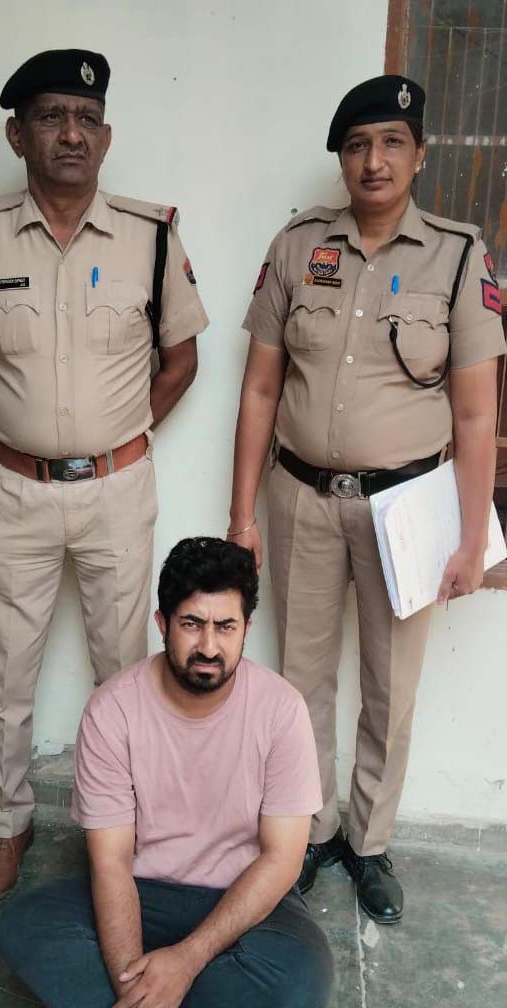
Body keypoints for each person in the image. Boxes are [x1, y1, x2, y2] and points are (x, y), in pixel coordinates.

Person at [0, 49, 209, 903]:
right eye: (52, 117)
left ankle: (118, 827)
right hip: (15, 492)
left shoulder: (151, 236)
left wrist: (117, 438)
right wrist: (18, 436)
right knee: (6, 671)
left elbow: (181, 361)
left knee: (124, 670)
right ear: (17, 135)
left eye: (88, 119)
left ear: (107, 136)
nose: (72, 134)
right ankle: (7, 825)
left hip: (117, 493)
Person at [227, 75, 505, 924]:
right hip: (300, 498)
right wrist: (242, 517)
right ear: (341, 160)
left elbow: (475, 413)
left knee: (391, 686)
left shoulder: (457, 257)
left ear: (419, 156)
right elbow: (260, 390)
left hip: (406, 513)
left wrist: (470, 537)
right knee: (300, 678)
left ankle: (370, 842)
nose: (373, 160)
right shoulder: (298, 246)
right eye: (356, 145)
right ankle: (310, 832)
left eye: (391, 143)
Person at [0, 537, 333, 1008]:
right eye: (192, 624)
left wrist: (187, 959)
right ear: (162, 624)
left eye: (226, 627)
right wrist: (131, 981)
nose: (209, 646)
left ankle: (168, 985)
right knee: (26, 925)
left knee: (300, 979)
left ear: (246, 629)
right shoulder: (112, 710)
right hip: (143, 891)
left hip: (240, 895)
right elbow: (111, 863)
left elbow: (281, 860)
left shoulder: (282, 710)